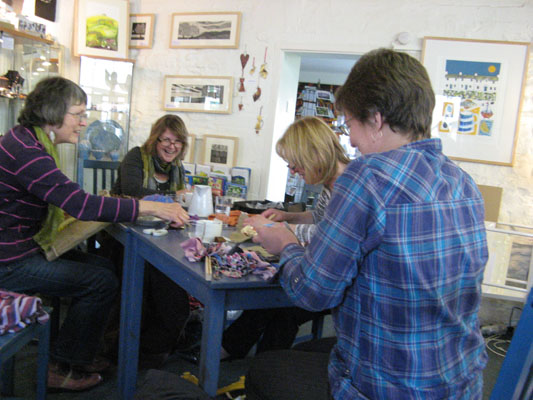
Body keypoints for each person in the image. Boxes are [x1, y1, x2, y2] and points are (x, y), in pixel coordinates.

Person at [244, 49, 488, 400]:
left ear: (375, 119)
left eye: (349, 125)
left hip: (388, 388)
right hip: (461, 383)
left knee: (265, 370)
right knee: (305, 355)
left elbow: (312, 293)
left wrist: (286, 245)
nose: (351, 140)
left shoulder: (366, 178)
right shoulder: (461, 181)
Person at [0, 77, 189, 392]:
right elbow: (79, 203)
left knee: (104, 267)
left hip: (19, 248)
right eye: (78, 114)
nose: (83, 122)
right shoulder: (28, 152)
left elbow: (73, 198)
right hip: (9, 261)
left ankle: (79, 352)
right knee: (100, 282)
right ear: (53, 113)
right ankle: (58, 365)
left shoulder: (27, 141)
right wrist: (148, 207)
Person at [221, 116, 350, 359]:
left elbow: (327, 234)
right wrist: (285, 217)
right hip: (325, 269)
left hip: (338, 285)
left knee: (284, 306)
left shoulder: (347, 187)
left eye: (295, 163)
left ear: (314, 154)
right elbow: (320, 216)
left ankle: (264, 368)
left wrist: (275, 229)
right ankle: (234, 349)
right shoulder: (331, 182)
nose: (293, 170)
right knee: (274, 295)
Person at [107, 114, 192, 368]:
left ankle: (153, 345)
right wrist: (172, 195)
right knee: (159, 279)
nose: (171, 146)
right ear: (155, 140)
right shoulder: (136, 156)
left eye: (177, 141)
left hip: (159, 237)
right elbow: (132, 190)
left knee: (173, 275)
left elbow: (177, 205)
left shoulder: (177, 167)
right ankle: (141, 347)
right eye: (165, 139)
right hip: (123, 235)